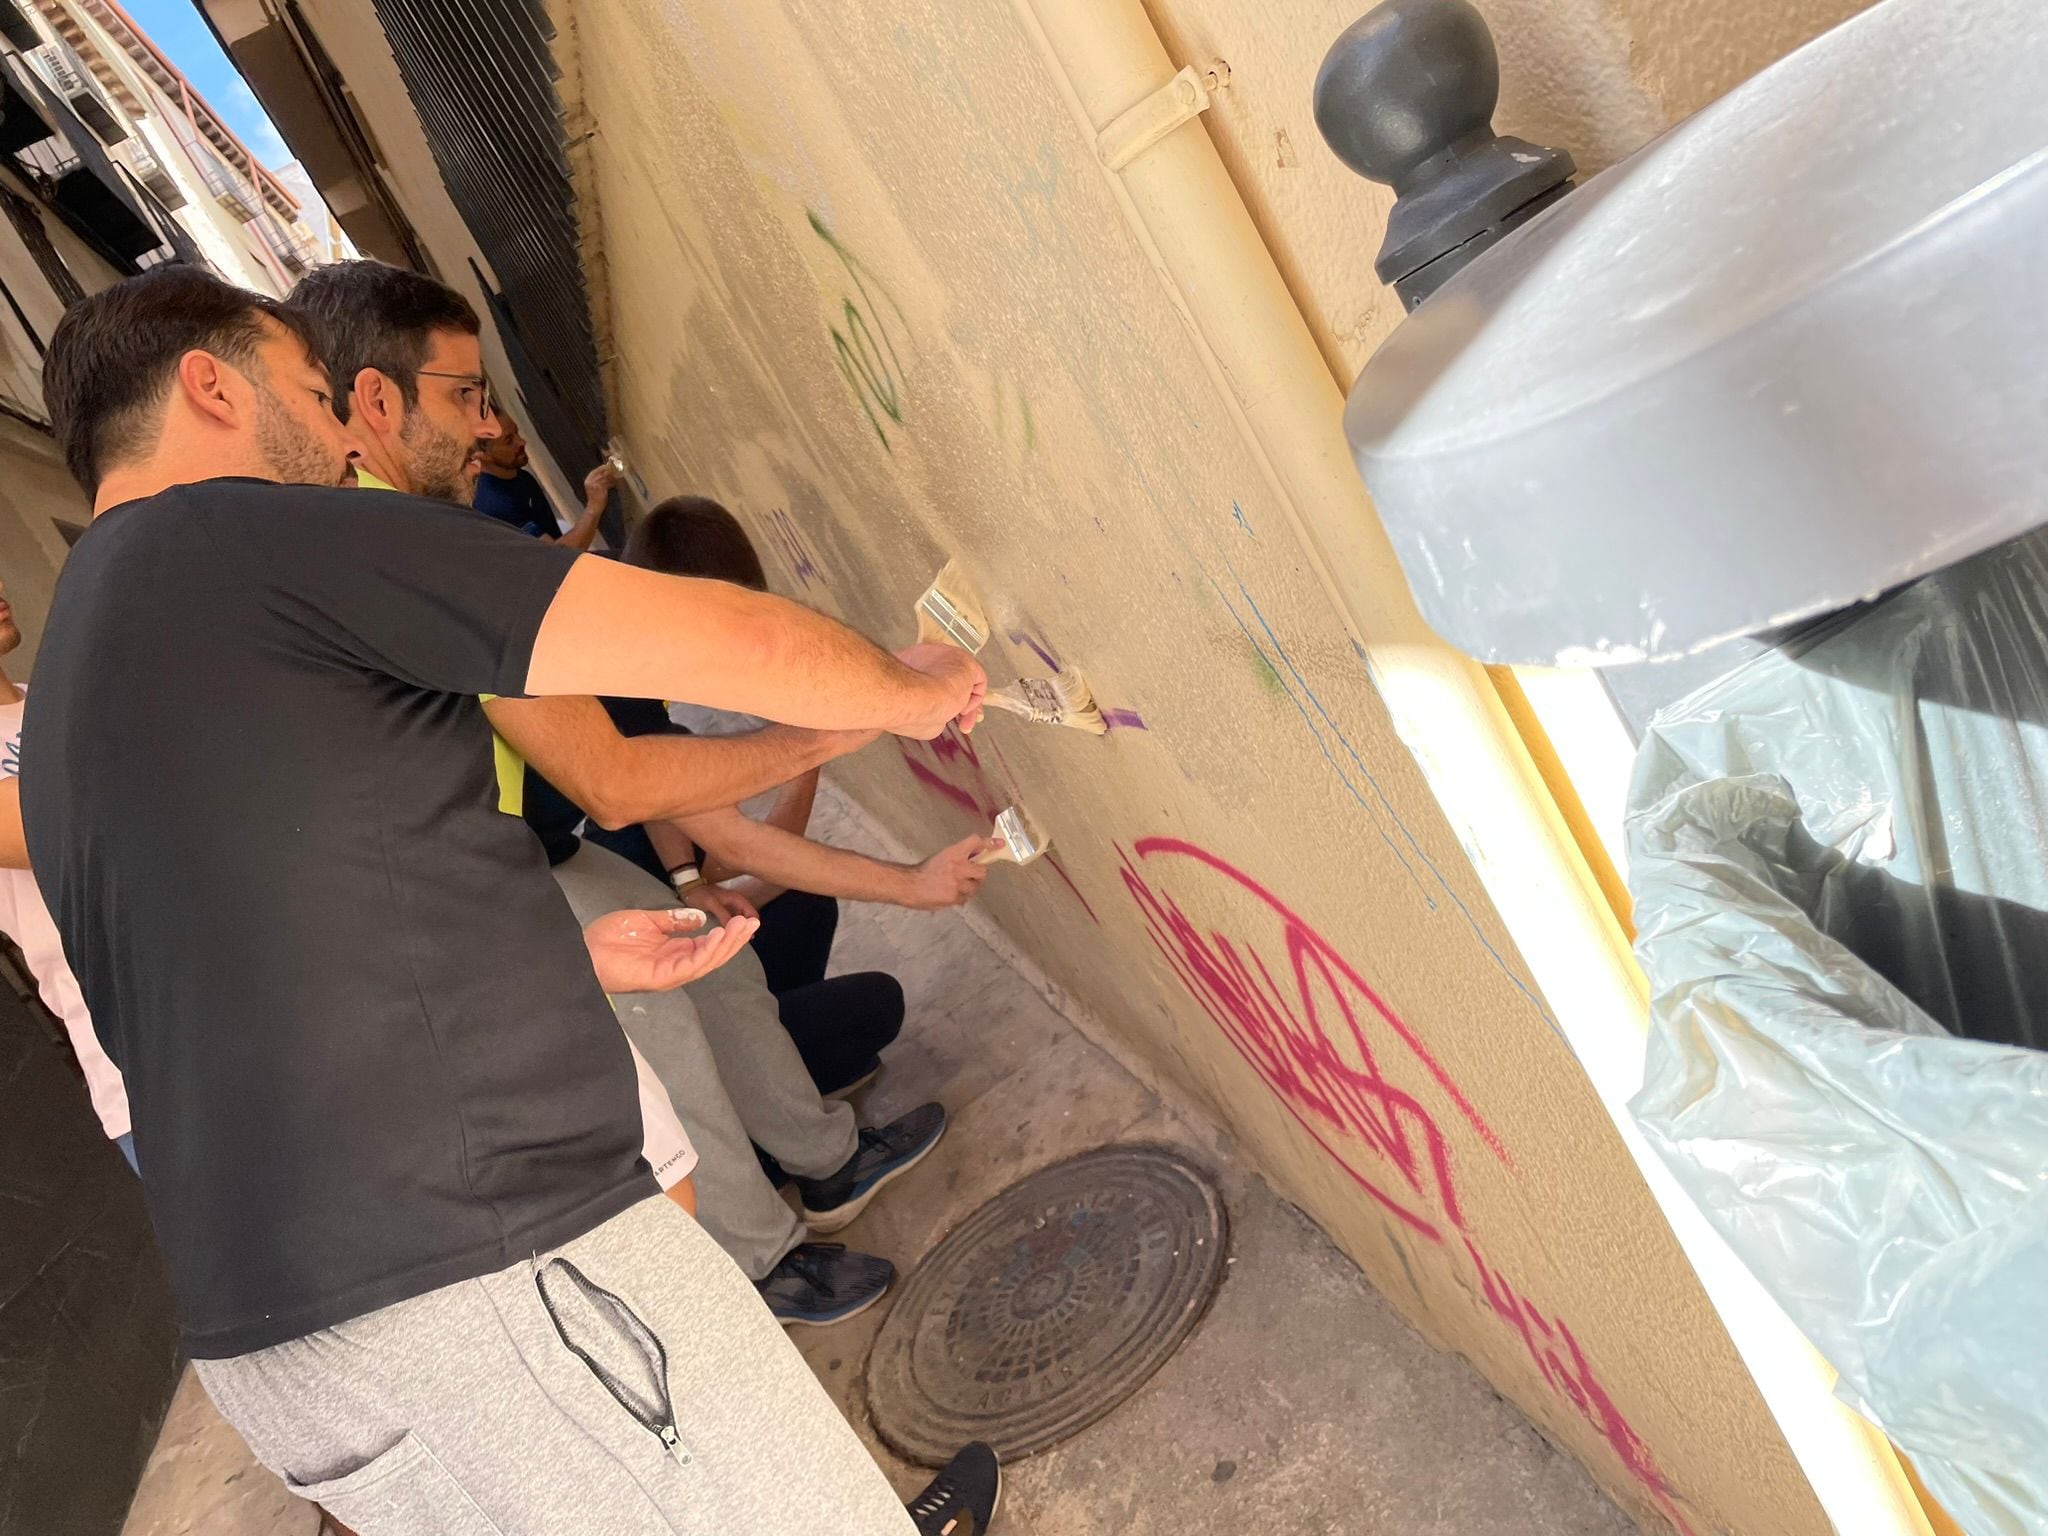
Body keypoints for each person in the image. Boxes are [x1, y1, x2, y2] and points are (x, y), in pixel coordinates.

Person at [28, 265, 998, 1534]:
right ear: (208, 386)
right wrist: (913, 692)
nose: (336, 438)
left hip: (291, 1355)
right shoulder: (250, 539)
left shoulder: (66, 696)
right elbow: (723, 641)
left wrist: (566, 963)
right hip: (473, 1278)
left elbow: (251, 977)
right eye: (311, 397)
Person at [289, 259, 947, 1327]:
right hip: (474, 884)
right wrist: (866, 707)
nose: (484, 422)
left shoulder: (394, 539)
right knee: (668, 1039)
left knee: (719, 972)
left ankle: (825, 1160)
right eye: (461, 393)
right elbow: (622, 774)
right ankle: (760, 1257)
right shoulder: (398, 547)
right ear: (375, 400)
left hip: (529, 845)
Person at [613, 495, 996, 1093]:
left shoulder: (632, 670)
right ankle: (797, 1133)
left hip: (669, 912)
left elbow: (689, 820)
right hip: (664, 1033)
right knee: (875, 1005)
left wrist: (690, 882)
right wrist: (816, 744)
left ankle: (779, 1029)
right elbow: (743, 846)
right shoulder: (632, 705)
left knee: (805, 902)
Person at [0, 576, 131, 1167]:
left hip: (264, 1007)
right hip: (141, 1067)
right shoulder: (89, 704)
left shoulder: (62, 700)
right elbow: (51, 826)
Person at [473, 407, 614, 550]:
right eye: (509, 441)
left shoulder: (518, 475)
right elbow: (556, 558)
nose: (522, 442)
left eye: (517, 432)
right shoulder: (497, 506)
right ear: (481, 455)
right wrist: (593, 508)